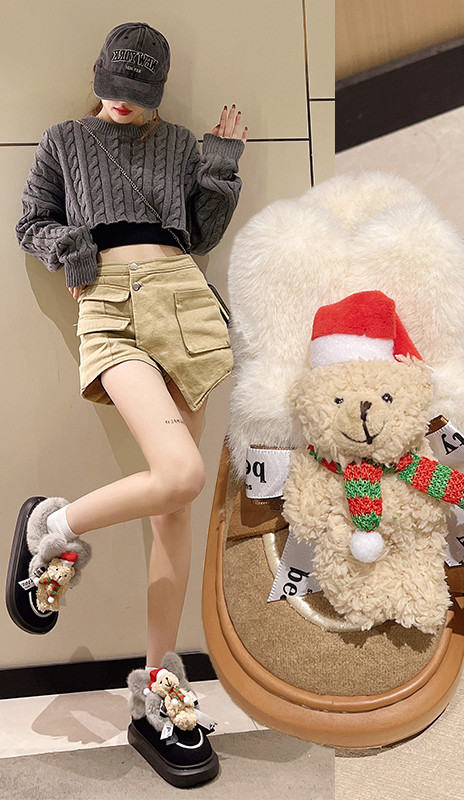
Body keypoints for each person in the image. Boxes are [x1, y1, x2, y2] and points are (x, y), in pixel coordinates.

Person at [6, 22, 246, 787]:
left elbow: (199, 235)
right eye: (112, 89)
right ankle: (52, 527)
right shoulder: (64, 140)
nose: (121, 104)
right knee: (181, 474)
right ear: (98, 74)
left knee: (174, 509)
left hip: (184, 300)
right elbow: (30, 221)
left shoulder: (177, 144)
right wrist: (67, 245)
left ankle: (156, 690)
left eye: (136, 96)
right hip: (109, 305)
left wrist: (220, 170)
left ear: (158, 92)